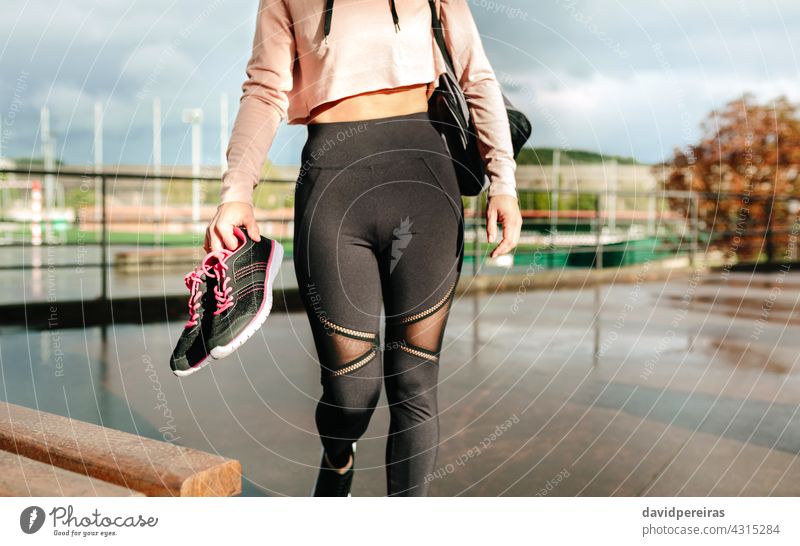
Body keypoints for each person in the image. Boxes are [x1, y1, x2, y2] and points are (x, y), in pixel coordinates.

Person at [204, 0, 522, 496]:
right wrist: (236, 192)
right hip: (334, 187)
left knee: (414, 383)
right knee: (352, 390)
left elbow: (477, 77)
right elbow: (265, 91)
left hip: (425, 182)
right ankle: (338, 452)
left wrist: (504, 182)